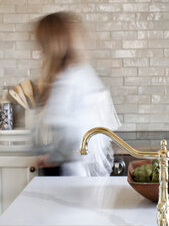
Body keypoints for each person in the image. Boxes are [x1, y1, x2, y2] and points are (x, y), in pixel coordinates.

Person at [32, 11, 120, 176]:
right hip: (83, 171)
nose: (41, 52)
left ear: (53, 45)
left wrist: (53, 157)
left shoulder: (68, 80)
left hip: (73, 174)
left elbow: (70, 133)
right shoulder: (83, 72)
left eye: (43, 45)